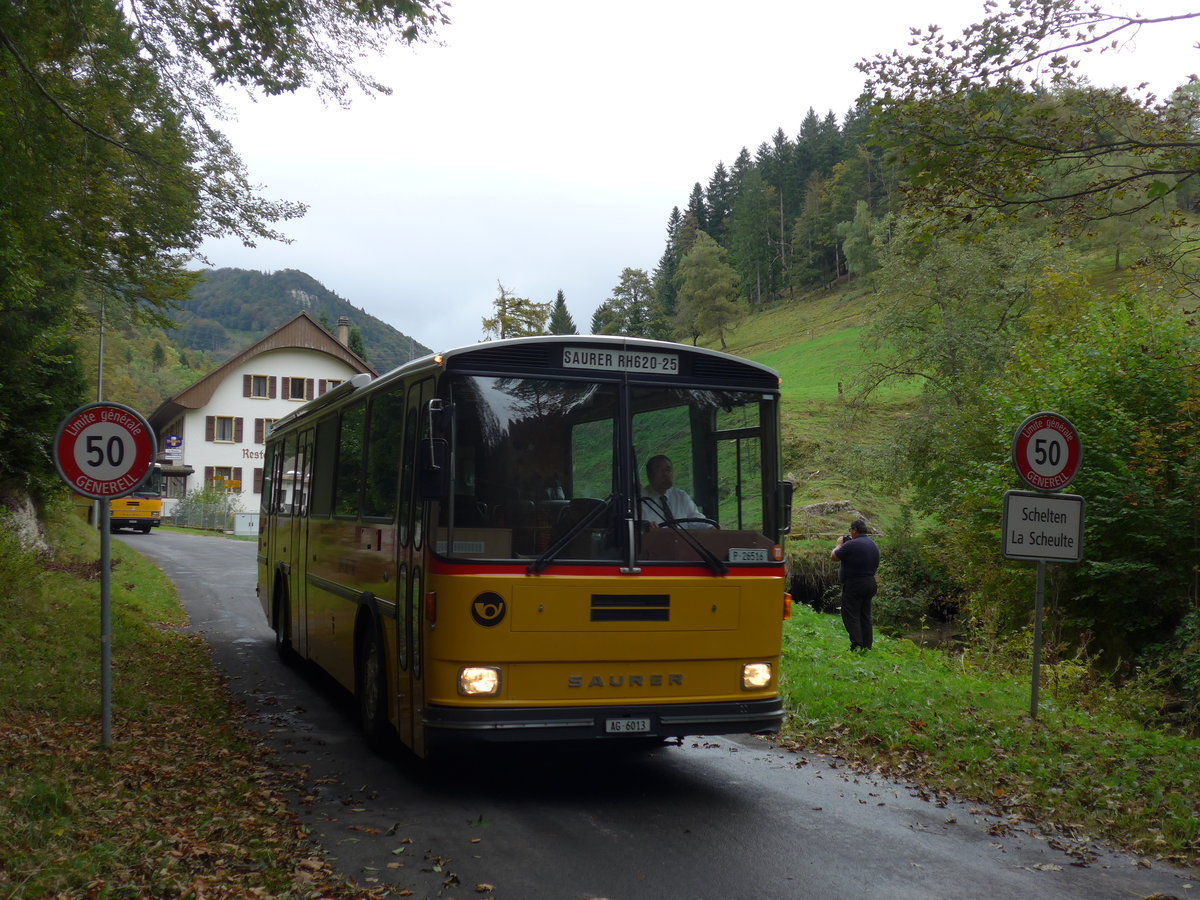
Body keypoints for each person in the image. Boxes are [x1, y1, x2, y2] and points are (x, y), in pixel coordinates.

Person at [830, 518, 880, 652]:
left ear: (855, 530)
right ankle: (867, 646)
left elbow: (834, 557)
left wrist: (839, 544)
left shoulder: (851, 545)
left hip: (854, 584)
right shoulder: (873, 545)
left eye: (851, 530)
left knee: (851, 614)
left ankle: (856, 645)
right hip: (870, 582)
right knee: (865, 615)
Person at [640, 455, 707, 526]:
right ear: (649, 475)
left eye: (668, 470)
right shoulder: (640, 500)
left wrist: (711, 528)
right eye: (659, 470)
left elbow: (698, 520)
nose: (665, 474)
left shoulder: (681, 496)